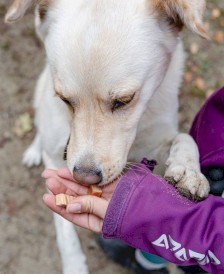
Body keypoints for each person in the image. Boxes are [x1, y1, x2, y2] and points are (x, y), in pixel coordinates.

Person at [42, 87, 224, 274]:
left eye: (122, 101)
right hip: (212, 153)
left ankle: (146, 265)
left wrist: (151, 213)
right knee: (169, 234)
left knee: (187, 252)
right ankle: (148, 263)